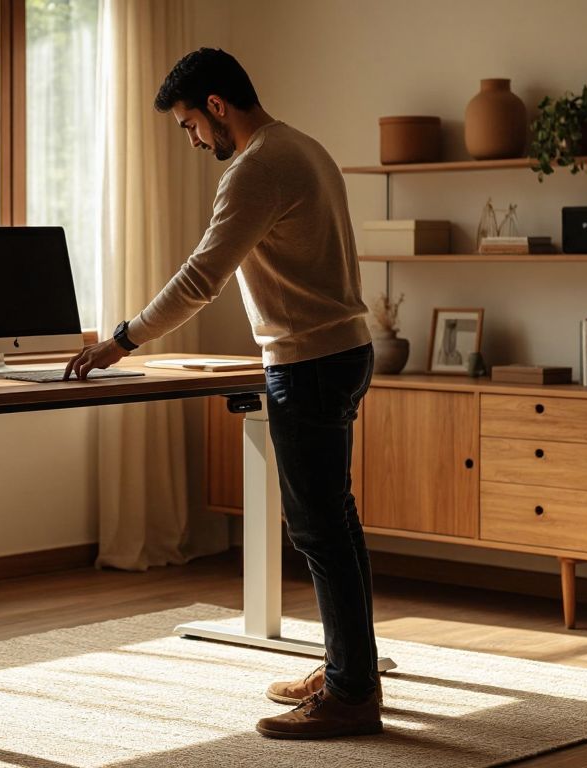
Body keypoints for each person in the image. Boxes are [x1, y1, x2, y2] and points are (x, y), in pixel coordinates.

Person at [63, 48, 381, 740]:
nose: (193, 140)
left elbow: (201, 277)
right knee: (336, 524)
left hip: (309, 359)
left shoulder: (257, 167)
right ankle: (348, 666)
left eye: (189, 126)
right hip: (342, 347)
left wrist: (122, 340)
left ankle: (353, 692)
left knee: (320, 531)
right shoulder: (303, 146)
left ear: (215, 107)